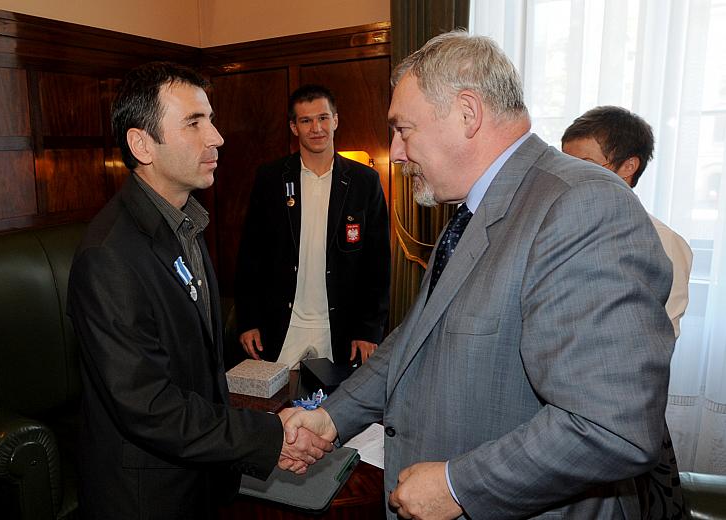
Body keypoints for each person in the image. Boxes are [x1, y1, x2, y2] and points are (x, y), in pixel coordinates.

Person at [283, 31, 676, 519]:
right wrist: (330, 418)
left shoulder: (582, 205)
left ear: (467, 113)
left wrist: (457, 485)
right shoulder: (473, 209)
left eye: (404, 129)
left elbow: (611, 426)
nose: (397, 152)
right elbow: (416, 341)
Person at [67, 62, 331, 520]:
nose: (217, 137)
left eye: (210, 119)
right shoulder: (108, 257)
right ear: (141, 144)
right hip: (146, 496)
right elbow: (149, 407)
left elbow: (201, 371)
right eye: (194, 122)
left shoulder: (185, 222)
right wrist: (267, 436)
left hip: (201, 477)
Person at [234, 84, 390, 368]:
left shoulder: (364, 181)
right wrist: (248, 320)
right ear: (294, 127)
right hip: (280, 327)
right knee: (275, 410)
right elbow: (250, 256)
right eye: (306, 121)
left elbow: (377, 264)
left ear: (336, 120)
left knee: (333, 410)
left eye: (323, 118)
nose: (316, 128)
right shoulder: (270, 179)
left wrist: (369, 330)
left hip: (340, 331)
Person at [562, 106, 693, 338]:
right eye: (565, 164)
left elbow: (658, 337)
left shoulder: (664, 242)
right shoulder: (557, 226)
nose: (570, 175)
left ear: (628, 167)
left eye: (585, 164)